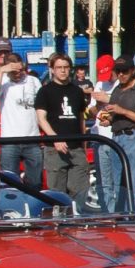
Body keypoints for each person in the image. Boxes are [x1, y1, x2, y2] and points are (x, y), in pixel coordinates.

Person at [35, 52, 91, 200]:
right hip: (55, 149)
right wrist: (56, 139)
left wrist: (83, 146)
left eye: (66, 67)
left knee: (80, 192)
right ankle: (60, 222)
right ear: (52, 69)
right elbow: (41, 119)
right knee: (57, 195)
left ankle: (79, 220)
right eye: (59, 67)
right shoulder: (44, 91)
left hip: (76, 148)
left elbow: (81, 119)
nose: (63, 70)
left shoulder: (77, 91)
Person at [103, 59, 135, 212]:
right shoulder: (117, 90)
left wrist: (123, 111)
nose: (121, 74)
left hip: (133, 136)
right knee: (117, 184)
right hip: (116, 137)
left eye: (124, 71)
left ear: (133, 71)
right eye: (118, 71)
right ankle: (119, 218)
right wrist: (108, 119)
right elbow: (113, 114)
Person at [0, 51, 43, 190]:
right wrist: (1, 72)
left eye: (21, 70)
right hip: (9, 140)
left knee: (35, 183)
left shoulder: (33, 81)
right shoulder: (3, 82)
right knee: (10, 184)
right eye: (14, 71)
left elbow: (41, 107)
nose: (18, 73)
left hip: (32, 139)